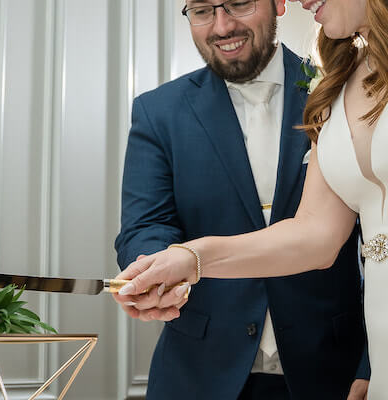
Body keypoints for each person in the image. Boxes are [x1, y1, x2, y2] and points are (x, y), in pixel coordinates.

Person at [115, 0, 388, 397]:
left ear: (276, 5)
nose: (222, 26)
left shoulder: (325, 82)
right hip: (201, 372)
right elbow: (316, 233)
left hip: (328, 369)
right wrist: (164, 270)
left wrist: (369, 362)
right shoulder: (158, 111)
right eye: (203, 11)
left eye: (239, 4)